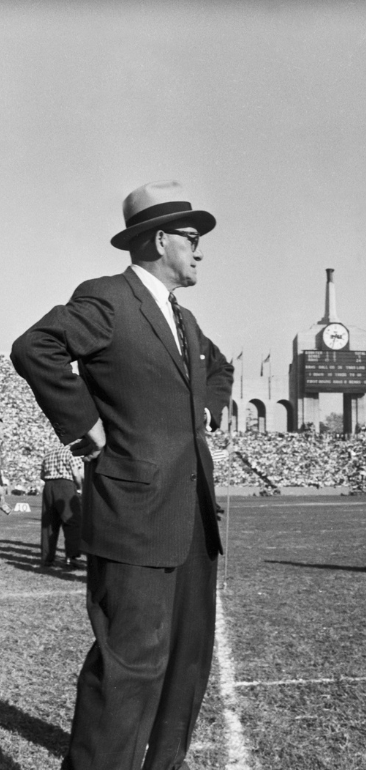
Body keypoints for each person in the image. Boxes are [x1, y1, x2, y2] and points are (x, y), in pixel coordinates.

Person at [11, 180, 233, 770]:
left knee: (187, 661)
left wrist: (209, 405)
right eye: (192, 238)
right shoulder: (108, 298)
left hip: (192, 519)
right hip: (134, 516)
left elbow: (221, 367)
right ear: (160, 240)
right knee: (130, 666)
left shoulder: (185, 321)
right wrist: (85, 427)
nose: (200, 250)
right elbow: (35, 348)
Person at [39, 441, 84, 569]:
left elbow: (42, 475)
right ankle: (71, 558)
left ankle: (47, 559)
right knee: (72, 522)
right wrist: (80, 488)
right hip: (65, 485)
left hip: (48, 486)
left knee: (49, 525)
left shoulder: (49, 453)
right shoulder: (72, 451)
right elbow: (76, 473)